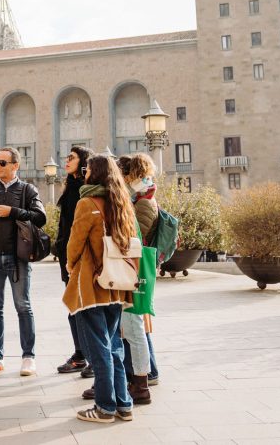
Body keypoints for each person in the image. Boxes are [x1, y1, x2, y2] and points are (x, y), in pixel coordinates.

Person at [63, 153, 136, 423]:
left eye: (87, 169)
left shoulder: (87, 203)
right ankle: (123, 404)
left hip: (93, 285)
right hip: (117, 284)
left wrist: (70, 265)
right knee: (114, 344)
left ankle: (105, 407)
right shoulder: (121, 202)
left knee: (98, 349)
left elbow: (75, 243)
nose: (84, 173)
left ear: (94, 173)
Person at [0, 146, 47, 377]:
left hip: (19, 257)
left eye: (2, 163)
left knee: (23, 306)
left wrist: (12, 211)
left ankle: (28, 357)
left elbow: (41, 218)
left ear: (15, 166)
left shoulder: (27, 189)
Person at [119, 152, 161, 387]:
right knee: (138, 323)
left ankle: (148, 372)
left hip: (138, 265)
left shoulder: (143, 200)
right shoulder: (143, 196)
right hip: (137, 264)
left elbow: (138, 233)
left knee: (137, 323)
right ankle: (148, 371)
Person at [55, 145, 94, 375]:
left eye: (72, 158)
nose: (66, 161)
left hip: (79, 256)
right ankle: (80, 355)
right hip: (67, 255)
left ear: (83, 162)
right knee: (73, 305)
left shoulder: (84, 189)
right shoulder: (70, 186)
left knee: (83, 306)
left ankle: (89, 357)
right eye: (66, 157)